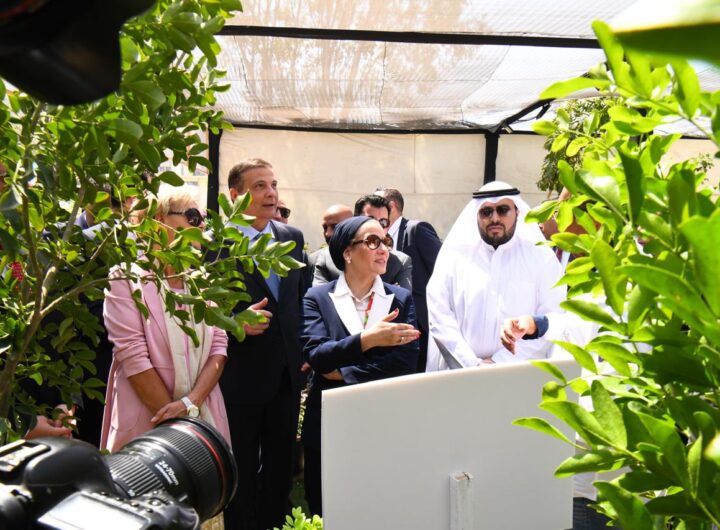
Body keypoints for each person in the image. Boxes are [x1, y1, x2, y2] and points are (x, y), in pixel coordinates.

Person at [300, 216, 420, 516]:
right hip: (329, 423)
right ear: (347, 252)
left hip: (384, 421)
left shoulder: (400, 299)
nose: (383, 249)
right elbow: (318, 356)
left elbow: (405, 362)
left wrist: (343, 371)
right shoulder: (318, 298)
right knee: (327, 509)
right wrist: (367, 340)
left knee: (381, 508)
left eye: (386, 241)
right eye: (372, 241)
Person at [101, 185, 230, 452]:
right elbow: (133, 357)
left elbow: (219, 346)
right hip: (148, 419)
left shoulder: (201, 282)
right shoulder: (126, 278)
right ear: (158, 220)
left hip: (203, 413)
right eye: (193, 215)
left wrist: (192, 403)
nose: (201, 224)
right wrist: (181, 427)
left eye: (203, 217)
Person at [222, 158, 307, 530]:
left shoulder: (292, 238)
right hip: (238, 377)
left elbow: (299, 299)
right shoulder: (216, 244)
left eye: (273, 185)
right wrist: (233, 324)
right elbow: (197, 312)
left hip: (287, 375)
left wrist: (303, 351)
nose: (271, 193)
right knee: (239, 469)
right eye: (260, 186)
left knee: (280, 469)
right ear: (235, 195)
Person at [426, 181, 564, 370]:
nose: (495, 218)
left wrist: (499, 363)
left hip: (520, 373)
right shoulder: (454, 256)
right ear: (477, 215)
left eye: (503, 210)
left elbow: (552, 318)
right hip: (460, 372)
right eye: (486, 212)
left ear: (517, 212)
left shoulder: (540, 257)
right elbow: (439, 314)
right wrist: (471, 364)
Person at [374, 187, 442, 371]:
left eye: (377, 204)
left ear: (391, 206)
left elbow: (442, 269)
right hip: (388, 326)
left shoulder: (416, 229)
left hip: (420, 325)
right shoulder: (374, 238)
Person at [312, 195, 413, 291]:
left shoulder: (400, 263)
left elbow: (402, 300)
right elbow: (321, 299)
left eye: (383, 222)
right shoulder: (326, 259)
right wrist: (389, 292)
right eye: (370, 220)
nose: (377, 226)